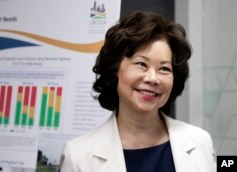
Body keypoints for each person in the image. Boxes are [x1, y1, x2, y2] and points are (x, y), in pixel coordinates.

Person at [59, 11, 216, 172]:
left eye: (164, 68)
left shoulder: (200, 142)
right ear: (115, 69)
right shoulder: (78, 155)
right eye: (141, 64)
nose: (152, 78)